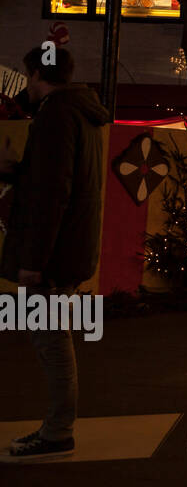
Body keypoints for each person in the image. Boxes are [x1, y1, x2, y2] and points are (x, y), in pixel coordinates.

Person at [0, 46, 110, 459]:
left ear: (34, 74)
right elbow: (59, 181)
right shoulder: (82, 114)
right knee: (52, 337)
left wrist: (33, 263)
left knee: (51, 341)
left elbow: (51, 197)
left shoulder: (56, 116)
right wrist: (17, 171)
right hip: (70, 249)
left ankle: (57, 430)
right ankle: (56, 427)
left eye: (28, 77)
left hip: (53, 256)